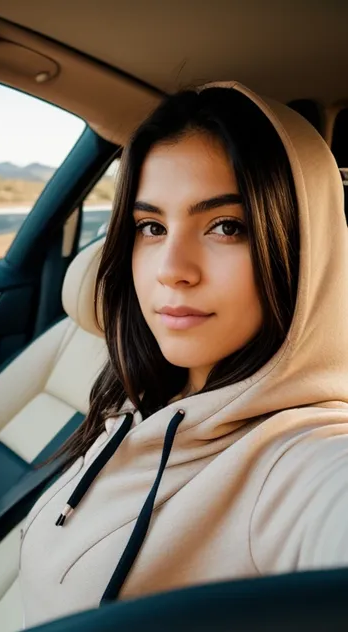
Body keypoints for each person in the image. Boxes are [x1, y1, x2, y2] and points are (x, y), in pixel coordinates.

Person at [19, 81, 348, 628]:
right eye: (151, 227)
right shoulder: (135, 398)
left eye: (226, 226)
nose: (171, 267)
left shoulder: (298, 460)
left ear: (303, 250)